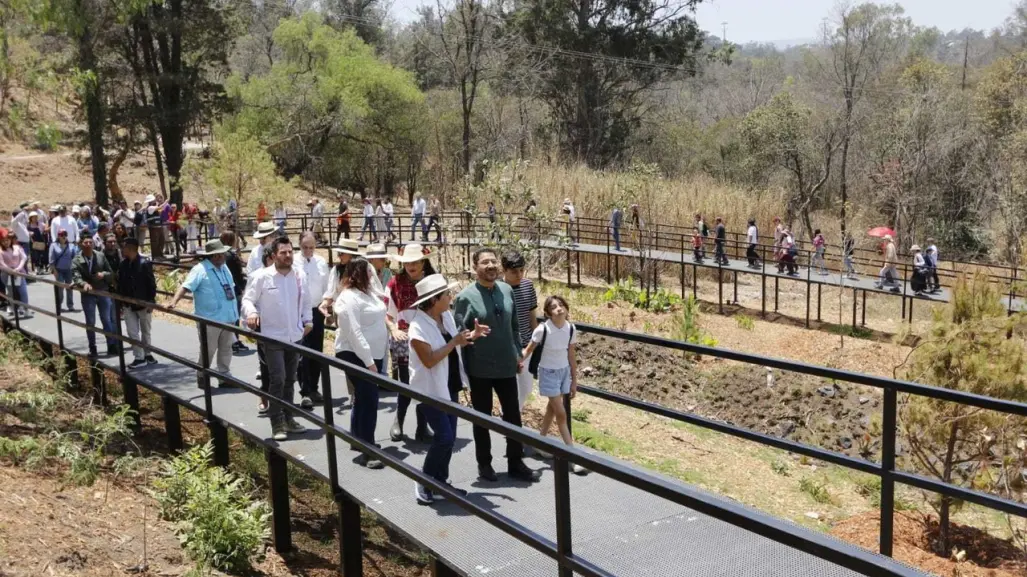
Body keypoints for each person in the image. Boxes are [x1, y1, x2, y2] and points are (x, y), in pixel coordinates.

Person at [453, 247, 540, 483]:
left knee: (513, 415)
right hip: (480, 367)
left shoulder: (505, 290)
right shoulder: (465, 297)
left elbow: (514, 327)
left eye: (493, 261)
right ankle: (485, 464)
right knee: (482, 417)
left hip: (505, 365)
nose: (490, 266)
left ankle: (515, 462)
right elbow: (460, 336)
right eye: (484, 262)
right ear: (475, 267)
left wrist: (516, 354)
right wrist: (473, 334)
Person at [408, 273, 488, 504]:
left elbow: (454, 343)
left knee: (450, 437)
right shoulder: (417, 327)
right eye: (446, 294)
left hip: (449, 384)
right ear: (434, 300)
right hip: (430, 390)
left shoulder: (446, 316)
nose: (450, 296)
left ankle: (440, 481)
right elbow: (430, 359)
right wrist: (454, 342)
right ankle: (424, 480)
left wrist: (472, 336)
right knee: (443, 437)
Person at [242, 236, 312, 440]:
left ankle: (289, 417)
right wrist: (252, 314)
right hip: (272, 337)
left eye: (290, 251)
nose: (288, 255)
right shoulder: (262, 276)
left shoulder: (299, 275)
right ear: (273, 256)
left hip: (295, 336)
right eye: (283, 252)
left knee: (291, 379)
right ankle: (277, 422)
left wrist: (308, 321)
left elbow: (306, 301)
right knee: (278, 379)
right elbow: (248, 299)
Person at [520, 295, 586, 475]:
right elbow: (529, 349)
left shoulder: (571, 329)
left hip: (563, 371)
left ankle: (540, 442)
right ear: (548, 313)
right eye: (554, 307)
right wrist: (519, 361)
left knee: (552, 409)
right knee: (561, 413)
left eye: (561, 305)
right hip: (548, 373)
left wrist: (574, 380)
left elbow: (571, 355)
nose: (559, 308)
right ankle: (573, 456)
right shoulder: (543, 330)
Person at [333, 257, 388, 467]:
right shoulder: (348, 298)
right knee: (370, 397)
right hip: (354, 354)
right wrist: (369, 362)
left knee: (362, 396)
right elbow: (353, 332)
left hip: (372, 355)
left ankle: (357, 437)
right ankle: (368, 449)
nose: (372, 275)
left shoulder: (370, 294)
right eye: (368, 272)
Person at [169, 240, 240, 387]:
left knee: (226, 348)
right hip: (210, 318)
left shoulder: (224, 267)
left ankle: (224, 376)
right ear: (215, 256)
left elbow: (231, 288)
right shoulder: (200, 270)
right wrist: (174, 301)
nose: (225, 255)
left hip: (228, 316)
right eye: (222, 253)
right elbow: (186, 286)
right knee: (209, 349)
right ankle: (203, 375)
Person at [385, 244, 436, 442]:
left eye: (415, 261)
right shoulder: (394, 283)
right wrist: (393, 328)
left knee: (425, 382)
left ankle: (422, 427)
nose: (411, 266)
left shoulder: (433, 283)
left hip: (428, 337)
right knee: (406, 382)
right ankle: (399, 420)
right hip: (404, 338)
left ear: (423, 262)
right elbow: (388, 314)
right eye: (407, 262)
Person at [297, 232, 330, 409]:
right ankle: (305, 391)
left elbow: (327, 287)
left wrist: (327, 303)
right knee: (303, 351)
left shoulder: (321, 262)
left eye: (311, 247)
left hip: (317, 309)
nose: (308, 251)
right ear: (300, 246)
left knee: (317, 350)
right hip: (300, 311)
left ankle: (315, 387)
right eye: (305, 247)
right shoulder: (294, 261)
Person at [502, 252, 537, 411]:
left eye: (522, 270)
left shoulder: (528, 286)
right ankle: (510, 419)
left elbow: (532, 317)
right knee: (510, 387)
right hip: (506, 347)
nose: (519, 275)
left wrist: (536, 342)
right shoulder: (497, 288)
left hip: (526, 345)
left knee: (526, 387)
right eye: (514, 272)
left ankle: (513, 414)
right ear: (504, 270)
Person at [71, 236, 118, 358]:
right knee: (90, 321)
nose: (88, 244)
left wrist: (103, 274)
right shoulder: (76, 260)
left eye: (90, 242)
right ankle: (93, 347)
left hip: (102, 291)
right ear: (81, 244)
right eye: (85, 242)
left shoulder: (100, 256)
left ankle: (111, 344)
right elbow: (76, 276)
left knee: (106, 319)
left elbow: (111, 273)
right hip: (88, 294)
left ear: (93, 244)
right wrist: (83, 284)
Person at [116, 238, 158, 368]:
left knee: (146, 330)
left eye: (125, 247)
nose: (123, 250)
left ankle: (147, 353)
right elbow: (120, 283)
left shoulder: (144, 263)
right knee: (132, 331)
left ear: (131, 248)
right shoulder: (123, 265)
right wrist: (121, 301)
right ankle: (139, 357)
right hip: (128, 303)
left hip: (143, 302)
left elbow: (151, 284)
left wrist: (151, 302)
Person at [221, 231, 250, 354]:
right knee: (235, 316)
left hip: (224, 288)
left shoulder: (221, 254)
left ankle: (232, 340)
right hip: (234, 288)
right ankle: (234, 341)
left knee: (229, 316)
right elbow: (237, 274)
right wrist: (242, 287)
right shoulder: (231, 255)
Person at [0, 233, 30, 318]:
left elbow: (23, 258)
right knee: (12, 292)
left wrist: (18, 269)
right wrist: (11, 271)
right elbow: (1, 264)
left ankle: (26, 309)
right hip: (7, 274)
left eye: (7, 240)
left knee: (23, 292)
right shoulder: (1, 251)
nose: (6, 242)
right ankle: (14, 309)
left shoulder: (17, 247)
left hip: (19, 272)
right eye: (3, 241)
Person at [49, 230, 78, 311]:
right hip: (58, 270)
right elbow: (51, 258)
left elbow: (75, 258)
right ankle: (59, 304)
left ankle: (70, 305)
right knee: (60, 288)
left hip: (69, 270)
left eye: (65, 234)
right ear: (58, 236)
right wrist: (54, 270)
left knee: (69, 287)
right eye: (61, 235)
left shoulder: (71, 246)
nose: (64, 236)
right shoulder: (54, 245)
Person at [144, 194, 164, 259]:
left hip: (159, 226)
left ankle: (160, 254)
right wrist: (166, 201)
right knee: (155, 242)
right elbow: (160, 207)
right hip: (153, 227)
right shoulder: (150, 208)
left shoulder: (154, 207)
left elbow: (160, 212)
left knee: (161, 240)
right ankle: (155, 256)